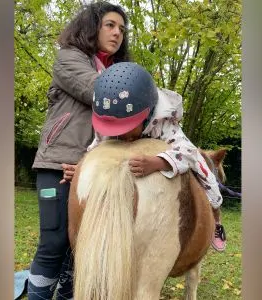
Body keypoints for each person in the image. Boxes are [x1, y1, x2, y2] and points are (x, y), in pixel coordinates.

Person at [28, 2, 130, 300]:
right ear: (91, 27)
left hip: (94, 171)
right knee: (54, 242)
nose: (117, 33)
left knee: (82, 247)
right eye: (110, 25)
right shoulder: (69, 59)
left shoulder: (119, 72)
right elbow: (100, 91)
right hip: (57, 166)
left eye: (122, 29)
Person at [79, 62, 227, 252]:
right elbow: (96, 148)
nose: (123, 137)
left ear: (147, 114)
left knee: (204, 170)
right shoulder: (109, 119)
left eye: (126, 129)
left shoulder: (163, 123)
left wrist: (158, 162)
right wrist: (81, 169)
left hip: (170, 152)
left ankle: (215, 217)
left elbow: (188, 152)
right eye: (116, 131)